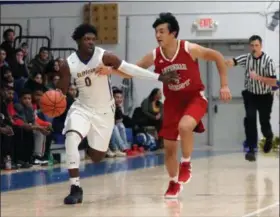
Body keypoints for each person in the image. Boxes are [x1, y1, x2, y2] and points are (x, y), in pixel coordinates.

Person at [99, 12, 231, 199]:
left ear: (173, 33)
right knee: (169, 149)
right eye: (156, 32)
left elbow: (217, 56)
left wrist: (224, 85)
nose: (158, 35)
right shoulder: (155, 54)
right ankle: (173, 183)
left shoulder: (188, 48)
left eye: (161, 31)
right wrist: (111, 71)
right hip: (172, 103)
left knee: (185, 126)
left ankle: (186, 163)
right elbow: (132, 71)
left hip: (194, 98)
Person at [56, 24, 178, 205]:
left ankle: (87, 140)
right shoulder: (69, 64)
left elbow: (130, 69)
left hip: (105, 111)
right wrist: (55, 96)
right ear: (78, 41)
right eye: (86, 39)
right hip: (82, 108)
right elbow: (61, 91)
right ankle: (75, 187)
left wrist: (159, 77)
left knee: (97, 157)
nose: (90, 42)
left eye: (92, 39)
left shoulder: (104, 56)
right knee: (71, 137)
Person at [225, 35, 277, 161]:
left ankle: (268, 138)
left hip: (265, 96)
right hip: (251, 95)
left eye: (257, 45)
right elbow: (233, 61)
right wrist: (226, 62)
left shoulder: (268, 61)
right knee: (250, 120)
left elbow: (273, 82)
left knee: (264, 122)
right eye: (252, 45)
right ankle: (252, 149)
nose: (254, 48)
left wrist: (257, 77)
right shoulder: (247, 58)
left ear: (261, 46)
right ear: (250, 46)